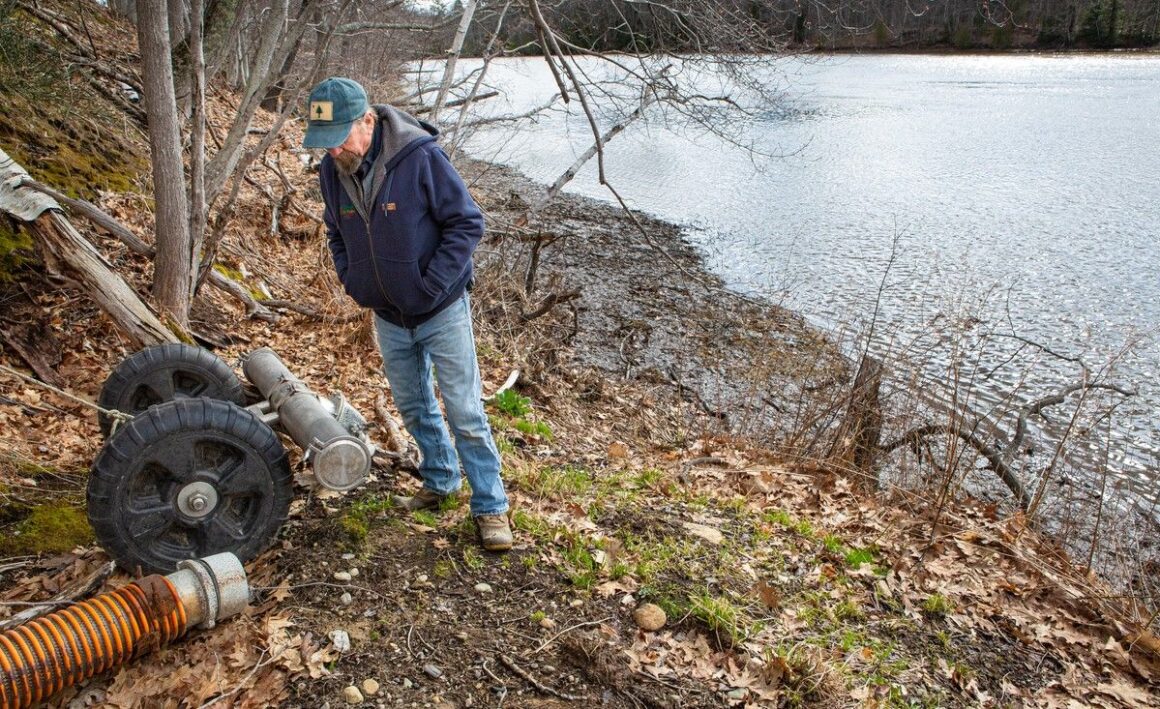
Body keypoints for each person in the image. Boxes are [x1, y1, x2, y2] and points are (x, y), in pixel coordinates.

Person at [302, 77, 512, 551]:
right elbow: (336, 232)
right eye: (324, 141)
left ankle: (491, 507)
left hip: (441, 310)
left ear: (368, 121)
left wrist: (431, 285)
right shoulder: (330, 171)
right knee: (415, 406)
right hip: (387, 316)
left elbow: (467, 222)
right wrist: (353, 281)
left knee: (464, 410)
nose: (332, 150)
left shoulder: (420, 157)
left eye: (338, 137)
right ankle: (439, 481)